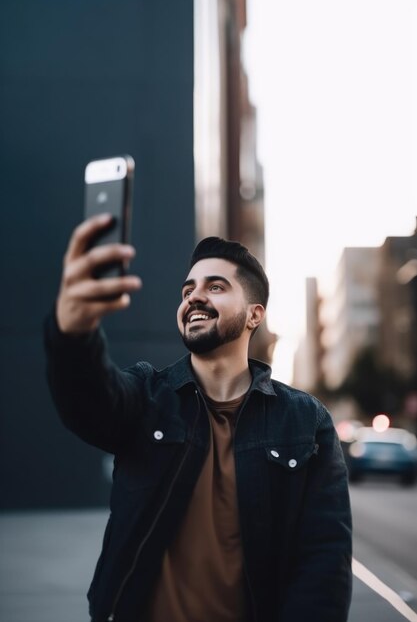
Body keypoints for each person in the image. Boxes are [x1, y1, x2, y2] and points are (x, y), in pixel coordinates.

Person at [44, 214, 352, 622]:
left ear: (254, 315)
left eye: (216, 286)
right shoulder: (147, 395)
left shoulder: (304, 421)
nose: (193, 297)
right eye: (187, 289)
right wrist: (72, 330)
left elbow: (324, 563)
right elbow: (87, 401)